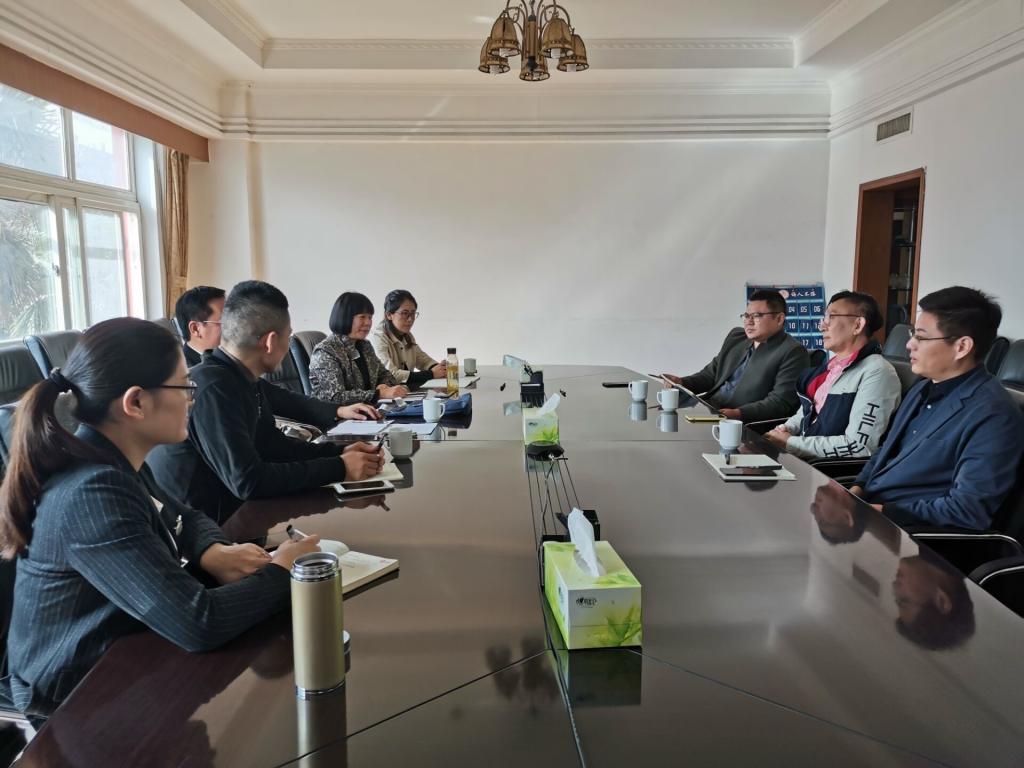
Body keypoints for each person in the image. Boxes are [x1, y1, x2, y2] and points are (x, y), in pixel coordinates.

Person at [0, 318, 320, 719]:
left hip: (129, 651)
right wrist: (285, 571)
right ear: (136, 403)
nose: (193, 399)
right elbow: (198, 622)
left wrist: (211, 550)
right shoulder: (93, 492)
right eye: (185, 387)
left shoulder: (111, 458)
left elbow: (184, 515)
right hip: (76, 700)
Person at [148, 281, 384, 524]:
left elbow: (274, 446)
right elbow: (248, 482)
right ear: (270, 342)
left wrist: (340, 453)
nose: (288, 344)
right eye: (288, 336)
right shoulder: (213, 388)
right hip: (212, 530)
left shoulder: (239, 378)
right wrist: (339, 467)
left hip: (239, 515)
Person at [850, 286, 1024, 531]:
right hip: (873, 515)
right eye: (912, 333)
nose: (909, 344)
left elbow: (967, 510)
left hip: (915, 537)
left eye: (921, 337)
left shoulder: (994, 415)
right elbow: (886, 452)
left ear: (962, 346)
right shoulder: (923, 387)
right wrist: (855, 492)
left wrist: (878, 513)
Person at [765, 291, 901, 459]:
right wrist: (784, 430)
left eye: (831, 317)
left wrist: (790, 443)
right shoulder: (830, 368)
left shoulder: (877, 372)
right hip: (801, 459)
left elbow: (859, 447)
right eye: (824, 318)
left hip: (825, 470)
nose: (822, 326)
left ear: (858, 325)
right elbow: (806, 413)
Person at [662, 289, 809, 422]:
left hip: (741, 422)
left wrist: (739, 414)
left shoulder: (792, 352)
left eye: (757, 316)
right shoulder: (737, 338)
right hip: (707, 409)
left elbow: (780, 402)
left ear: (779, 319)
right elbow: (710, 376)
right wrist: (682, 382)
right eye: (746, 315)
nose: (749, 322)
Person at [309, 292, 410, 405]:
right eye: (362, 317)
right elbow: (335, 397)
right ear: (345, 317)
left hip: (368, 410)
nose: (368, 323)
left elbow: (386, 375)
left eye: (370, 317)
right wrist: (378, 394)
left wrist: (383, 385)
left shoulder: (365, 346)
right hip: (336, 415)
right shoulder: (326, 351)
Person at [371, 289, 446, 388]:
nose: (410, 319)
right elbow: (390, 374)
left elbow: (422, 359)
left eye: (413, 313)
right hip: (387, 394)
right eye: (404, 313)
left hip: (404, 391)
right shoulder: (378, 337)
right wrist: (431, 374)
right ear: (389, 315)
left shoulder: (407, 335)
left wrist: (440, 368)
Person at [175, 286, 225, 367]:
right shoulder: (186, 372)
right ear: (195, 329)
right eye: (224, 321)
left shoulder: (225, 355)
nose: (233, 327)